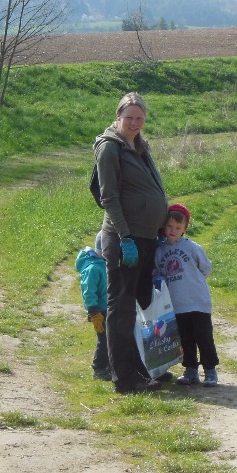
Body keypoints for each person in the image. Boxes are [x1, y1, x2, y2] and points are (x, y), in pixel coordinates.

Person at [94, 92, 170, 394]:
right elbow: (109, 197)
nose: (135, 123)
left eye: (140, 118)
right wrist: (125, 238)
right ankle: (123, 378)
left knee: (140, 305)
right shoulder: (110, 148)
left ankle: (140, 367)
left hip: (146, 236)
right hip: (125, 238)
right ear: (118, 117)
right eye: (129, 118)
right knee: (121, 308)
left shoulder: (139, 146)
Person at [155, 203, 219, 386]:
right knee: (185, 339)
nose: (173, 231)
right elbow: (157, 271)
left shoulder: (192, 247)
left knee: (203, 337)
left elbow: (206, 267)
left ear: (185, 229)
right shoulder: (160, 251)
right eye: (169, 226)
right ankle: (190, 369)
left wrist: (193, 281)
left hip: (197, 302)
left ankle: (210, 370)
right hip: (177, 304)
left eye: (177, 227)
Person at [76, 232, 111, 381]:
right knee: (104, 340)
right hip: (99, 311)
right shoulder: (93, 268)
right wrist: (93, 311)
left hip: (110, 307)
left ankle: (109, 365)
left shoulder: (106, 264)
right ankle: (99, 368)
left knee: (112, 339)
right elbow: (88, 292)